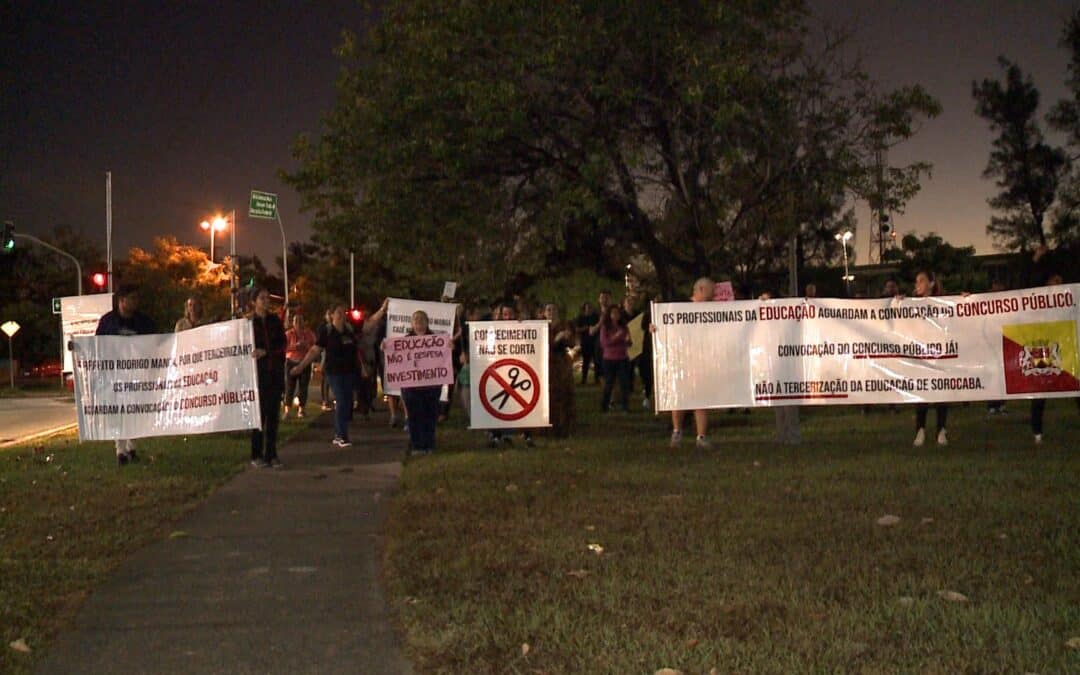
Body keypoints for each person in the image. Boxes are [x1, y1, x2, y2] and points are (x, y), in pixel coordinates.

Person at [291, 299, 388, 448]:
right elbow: (314, 350)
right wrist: (301, 366)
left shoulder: (350, 328)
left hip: (350, 372)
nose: (342, 316)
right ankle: (341, 435)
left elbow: (368, 326)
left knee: (347, 402)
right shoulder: (327, 331)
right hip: (334, 372)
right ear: (331, 315)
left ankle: (341, 432)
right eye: (338, 313)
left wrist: (382, 309)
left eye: (343, 313)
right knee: (342, 401)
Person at [95, 284, 156, 466]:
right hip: (115, 375)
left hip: (137, 374)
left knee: (135, 410)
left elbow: (154, 343)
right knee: (118, 411)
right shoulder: (108, 322)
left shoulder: (144, 322)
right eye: (132, 299)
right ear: (122, 301)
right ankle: (120, 450)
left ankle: (131, 446)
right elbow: (98, 344)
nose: (135, 302)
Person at [662, 277, 715, 449]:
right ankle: (677, 431)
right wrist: (654, 328)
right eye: (710, 291)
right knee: (680, 397)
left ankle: (701, 436)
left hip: (702, 360)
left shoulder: (714, 310)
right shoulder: (680, 307)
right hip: (682, 359)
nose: (713, 294)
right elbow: (665, 326)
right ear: (700, 289)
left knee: (702, 398)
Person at [249, 287, 287, 468]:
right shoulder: (249, 323)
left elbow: (282, 345)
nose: (265, 301)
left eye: (267, 298)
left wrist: (267, 352)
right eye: (262, 298)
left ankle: (271, 454)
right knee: (258, 418)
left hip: (274, 374)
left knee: (273, 416)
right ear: (254, 301)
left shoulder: (274, 322)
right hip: (257, 376)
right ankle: (256, 454)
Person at [910, 270, 949, 447]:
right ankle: (920, 430)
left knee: (941, 392)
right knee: (922, 393)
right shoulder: (910, 304)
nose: (917, 285)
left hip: (940, 355)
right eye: (916, 281)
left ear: (931, 284)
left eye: (922, 281)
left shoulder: (943, 303)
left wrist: (966, 300)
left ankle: (941, 430)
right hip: (921, 355)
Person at [400, 310, 443, 454]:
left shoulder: (436, 340)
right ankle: (417, 445)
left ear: (427, 322)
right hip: (411, 387)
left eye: (422, 320)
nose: (419, 323)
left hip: (431, 386)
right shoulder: (405, 342)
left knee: (429, 415)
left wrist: (448, 348)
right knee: (414, 416)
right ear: (412, 324)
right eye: (416, 320)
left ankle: (429, 444)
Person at [592, 305, 632, 413]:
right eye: (613, 313)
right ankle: (604, 406)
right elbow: (604, 343)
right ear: (609, 315)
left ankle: (625, 407)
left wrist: (627, 340)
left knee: (624, 383)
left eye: (617, 313)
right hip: (609, 358)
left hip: (622, 357)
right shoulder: (605, 327)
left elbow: (629, 341)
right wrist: (617, 337)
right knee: (609, 383)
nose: (615, 315)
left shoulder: (624, 327)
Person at [545, 303, 577, 436]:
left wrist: (566, 337)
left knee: (564, 394)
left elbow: (572, 342)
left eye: (553, 309)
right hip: (547, 362)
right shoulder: (542, 327)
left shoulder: (564, 325)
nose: (551, 312)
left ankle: (565, 426)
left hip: (561, 363)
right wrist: (556, 339)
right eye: (548, 310)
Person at [283, 313, 317, 419]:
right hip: (291, 361)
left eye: (300, 320)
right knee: (289, 387)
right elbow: (283, 347)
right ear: (292, 322)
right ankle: (287, 410)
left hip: (304, 362)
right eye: (295, 320)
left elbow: (315, 347)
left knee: (303, 387)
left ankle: (301, 409)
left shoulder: (309, 334)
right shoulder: (288, 334)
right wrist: (295, 346)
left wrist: (306, 345)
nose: (298, 323)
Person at [574, 302, 600, 384]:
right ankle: (584, 379)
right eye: (587, 307)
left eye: (590, 307)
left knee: (597, 361)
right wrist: (584, 328)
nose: (588, 309)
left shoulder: (596, 317)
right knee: (586, 361)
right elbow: (577, 329)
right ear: (584, 308)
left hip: (595, 341)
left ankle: (597, 379)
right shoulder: (581, 317)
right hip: (585, 341)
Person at [318, 308, 334, 411]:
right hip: (326, 356)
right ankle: (325, 401)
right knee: (326, 381)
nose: (329, 316)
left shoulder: (339, 327)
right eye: (328, 314)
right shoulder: (323, 328)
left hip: (336, 358)